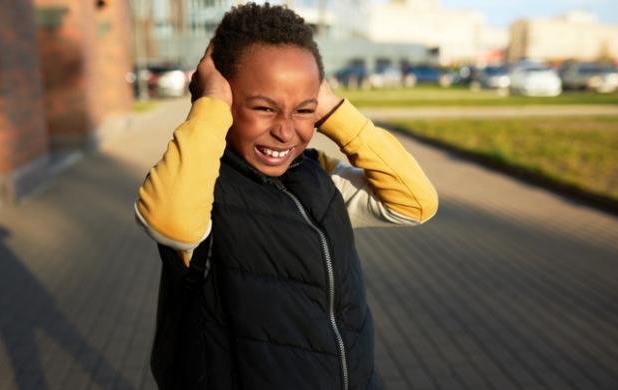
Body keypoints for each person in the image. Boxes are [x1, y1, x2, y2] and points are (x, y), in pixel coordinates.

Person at [134, 3, 438, 389]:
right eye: (264, 107)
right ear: (226, 99)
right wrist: (208, 101)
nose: (285, 131)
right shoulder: (198, 186)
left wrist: (329, 109)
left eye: (303, 110)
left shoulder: (316, 176)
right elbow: (171, 221)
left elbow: (415, 202)